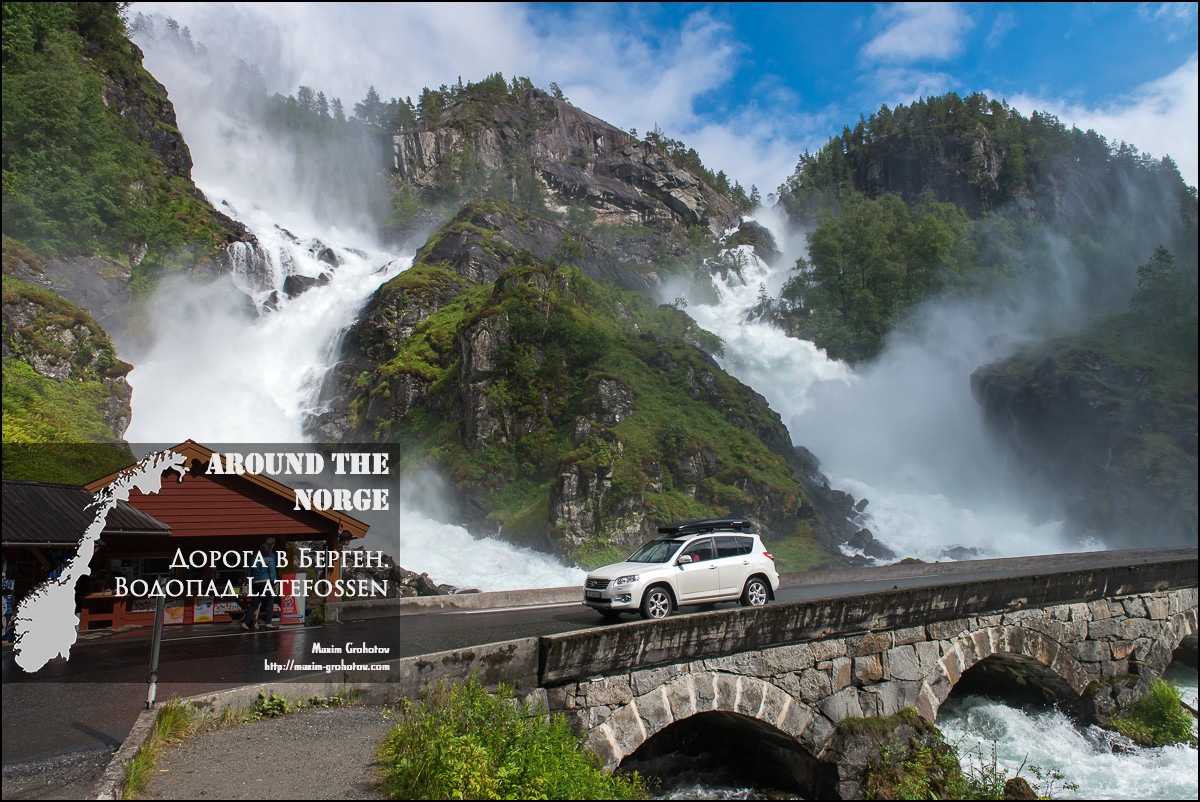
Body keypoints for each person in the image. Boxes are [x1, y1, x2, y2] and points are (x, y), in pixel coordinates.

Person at [242, 538, 279, 631]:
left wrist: (248, 581)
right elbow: (272, 572)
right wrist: (275, 583)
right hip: (266, 582)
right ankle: (268, 623)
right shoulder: (269, 559)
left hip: (255, 582)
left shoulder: (255, 558)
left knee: (254, 604)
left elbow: (250, 571)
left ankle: (245, 623)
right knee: (269, 603)